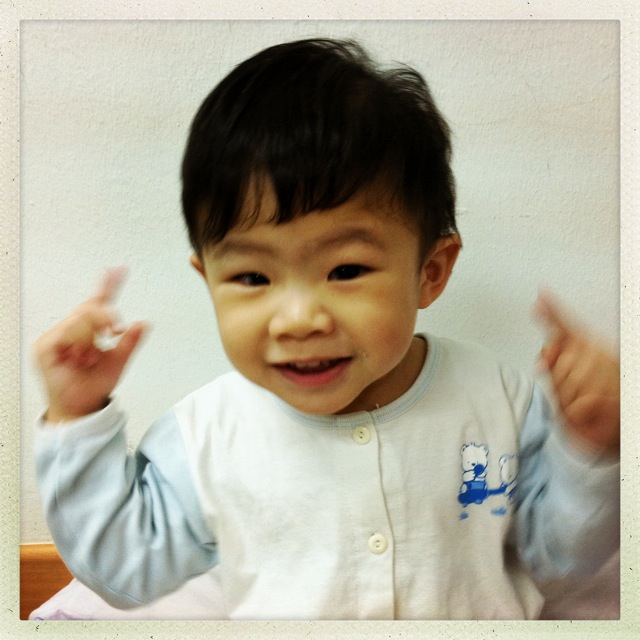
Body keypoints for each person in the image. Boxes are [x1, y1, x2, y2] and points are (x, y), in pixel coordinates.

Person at [32, 38, 620, 620]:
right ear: (208, 278)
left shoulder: (498, 401)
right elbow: (125, 572)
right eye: (253, 277)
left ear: (430, 272)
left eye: (346, 271)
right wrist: (75, 416)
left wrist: (591, 447)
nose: (299, 320)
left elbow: (559, 563)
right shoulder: (207, 435)